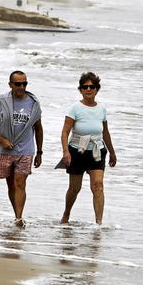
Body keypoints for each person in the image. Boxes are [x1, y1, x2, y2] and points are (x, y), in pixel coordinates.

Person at [0, 70, 44, 227]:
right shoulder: (0, 101)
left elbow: (38, 128)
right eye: (18, 84)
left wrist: (39, 152)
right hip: (4, 150)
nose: (21, 86)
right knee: (11, 185)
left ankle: (19, 218)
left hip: (26, 149)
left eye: (24, 83)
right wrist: (2, 139)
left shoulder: (34, 103)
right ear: (10, 85)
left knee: (20, 183)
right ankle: (16, 213)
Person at [60, 72, 117, 225]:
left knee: (98, 185)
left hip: (97, 151)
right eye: (85, 87)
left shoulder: (102, 109)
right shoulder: (75, 108)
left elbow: (105, 132)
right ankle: (66, 215)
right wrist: (65, 152)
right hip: (77, 151)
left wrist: (112, 152)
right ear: (80, 90)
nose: (88, 89)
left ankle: (98, 223)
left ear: (97, 89)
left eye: (92, 86)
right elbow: (65, 132)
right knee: (74, 188)